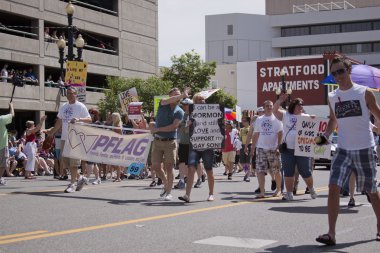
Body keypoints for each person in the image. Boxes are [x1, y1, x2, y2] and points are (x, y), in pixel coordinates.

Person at [316, 56, 380, 245]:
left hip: (364, 148)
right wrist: (324, 137)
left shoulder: (364, 93)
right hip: (343, 149)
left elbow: (377, 114)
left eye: (341, 71)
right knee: (333, 187)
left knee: (372, 192)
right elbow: (333, 121)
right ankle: (331, 234)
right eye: (334, 73)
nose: (338, 76)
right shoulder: (332, 96)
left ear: (348, 71)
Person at [48, 86, 91, 193]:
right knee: (65, 162)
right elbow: (59, 122)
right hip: (64, 138)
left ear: (76, 94)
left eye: (71, 93)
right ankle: (80, 178)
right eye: (67, 93)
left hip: (75, 138)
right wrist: (52, 133)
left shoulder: (81, 106)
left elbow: (89, 119)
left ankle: (72, 184)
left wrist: (78, 119)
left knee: (74, 163)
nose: (69, 95)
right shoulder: (63, 106)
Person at [273, 95, 318, 201]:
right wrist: (279, 100)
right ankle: (289, 194)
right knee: (288, 172)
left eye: (302, 106)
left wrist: (314, 118)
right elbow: (275, 111)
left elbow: (316, 127)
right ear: (294, 106)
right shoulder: (286, 115)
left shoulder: (305, 116)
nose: (301, 107)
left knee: (306, 171)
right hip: (287, 149)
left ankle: (311, 189)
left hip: (302, 149)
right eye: (299, 105)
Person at [149, 87, 188, 201]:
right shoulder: (163, 103)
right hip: (157, 141)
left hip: (170, 141)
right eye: (175, 95)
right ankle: (166, 183)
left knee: (169, 166)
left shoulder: (179, 111)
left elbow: (173, 127)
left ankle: (169, 192)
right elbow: (168, 100)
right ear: (169, 96)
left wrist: (157, 129)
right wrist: (182, 95)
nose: (177, 97)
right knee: (155, 166)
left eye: (179, 95)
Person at [179, 94, 216, 202]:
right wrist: (188, 124)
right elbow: (185, 130)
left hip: (207, 144)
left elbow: (218, 128)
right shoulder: (190, 114)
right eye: (199, 99)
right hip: (194, 145)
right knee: (191, 169)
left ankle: (211, 194)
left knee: (209, 170)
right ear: (195, 102)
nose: (202, 101)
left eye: (203, 99)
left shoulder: (212, 112)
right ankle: (187, 195)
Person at [251, 100, 283, 198]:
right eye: (267, 106)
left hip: (273, 148)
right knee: (260, 171)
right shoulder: (259, 119)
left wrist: (278, 146)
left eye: (271, 106)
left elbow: (280, 133)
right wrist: (253, 148)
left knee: (276, 170)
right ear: (264, 108)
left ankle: (278, 190)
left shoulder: (277, 119)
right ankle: (262, 192)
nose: (269, 107)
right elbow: (256, 134)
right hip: (261, 148)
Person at [174, 98, 193, 189]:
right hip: (183, 142)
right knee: (182, 162)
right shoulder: (183, 114)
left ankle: (192, 179)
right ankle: (181, 180)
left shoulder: (194, 115)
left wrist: (185, 126)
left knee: (191, 163)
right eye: (183, 104)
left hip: (192, 143)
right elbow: (181, 128)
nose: (184, 106)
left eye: (186, 104)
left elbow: (187, 130)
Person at [0, 102, 14, 185]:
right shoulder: (1, 119)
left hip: (2, 145)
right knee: (2, 163)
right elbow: (12, 114)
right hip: (2, 145)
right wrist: (11, 106)